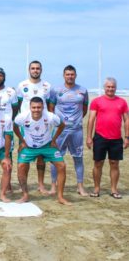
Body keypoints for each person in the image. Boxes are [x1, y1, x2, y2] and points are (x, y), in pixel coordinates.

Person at [14, 97, 70, 205]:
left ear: (43, 107)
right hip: (29, 147)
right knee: (21, 166)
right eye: (34, 107)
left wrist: (54, 140)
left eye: (39, 107)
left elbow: (62, 125)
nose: (36, 110)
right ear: (30, 107)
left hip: (47, 145)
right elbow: (15, 127)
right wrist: (22, 141)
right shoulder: (22, 117)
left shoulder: (50, 117)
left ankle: (60, 197)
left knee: (62, 166)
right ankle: (25, 195)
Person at [49, 65, 89, 196]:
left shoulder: (83, 90)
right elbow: (51, 108)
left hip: (76, 130)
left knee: (78, 158)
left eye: (72, 74)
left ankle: (80, 186)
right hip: (60, 131)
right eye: (67, 74)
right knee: (56, 157)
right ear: (64, 75)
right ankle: (53, 186)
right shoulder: (56, 90)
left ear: (75, 75)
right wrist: (58, 123)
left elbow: (84, 109)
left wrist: (75, 121)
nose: (70, 76)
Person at [86, 78, 129, 199]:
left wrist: (127, 137)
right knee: (98, 163)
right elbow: (91, 119)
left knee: (114, 164)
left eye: (113, 87)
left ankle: (114, 190)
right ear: (104, 88)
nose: (110, 89)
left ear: (116, 88)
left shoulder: (122, 102)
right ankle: (96, 189)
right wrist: (89, 137)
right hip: (100, 137)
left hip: (116, 138)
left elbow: (127, 120)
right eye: (108, 87)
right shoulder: (97, 101)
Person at [16, 60, 53, 194]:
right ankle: (23, 184)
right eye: (33, 68)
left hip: (43, 124)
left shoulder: (47, 86)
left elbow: (49, 106)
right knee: (24, 155)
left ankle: (41, 184)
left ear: (41, 70)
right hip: (26, 125)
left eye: (37, 68)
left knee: (41, 156)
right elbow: (18, 104)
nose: (35, 70)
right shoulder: (22, 85)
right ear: (29, 70)